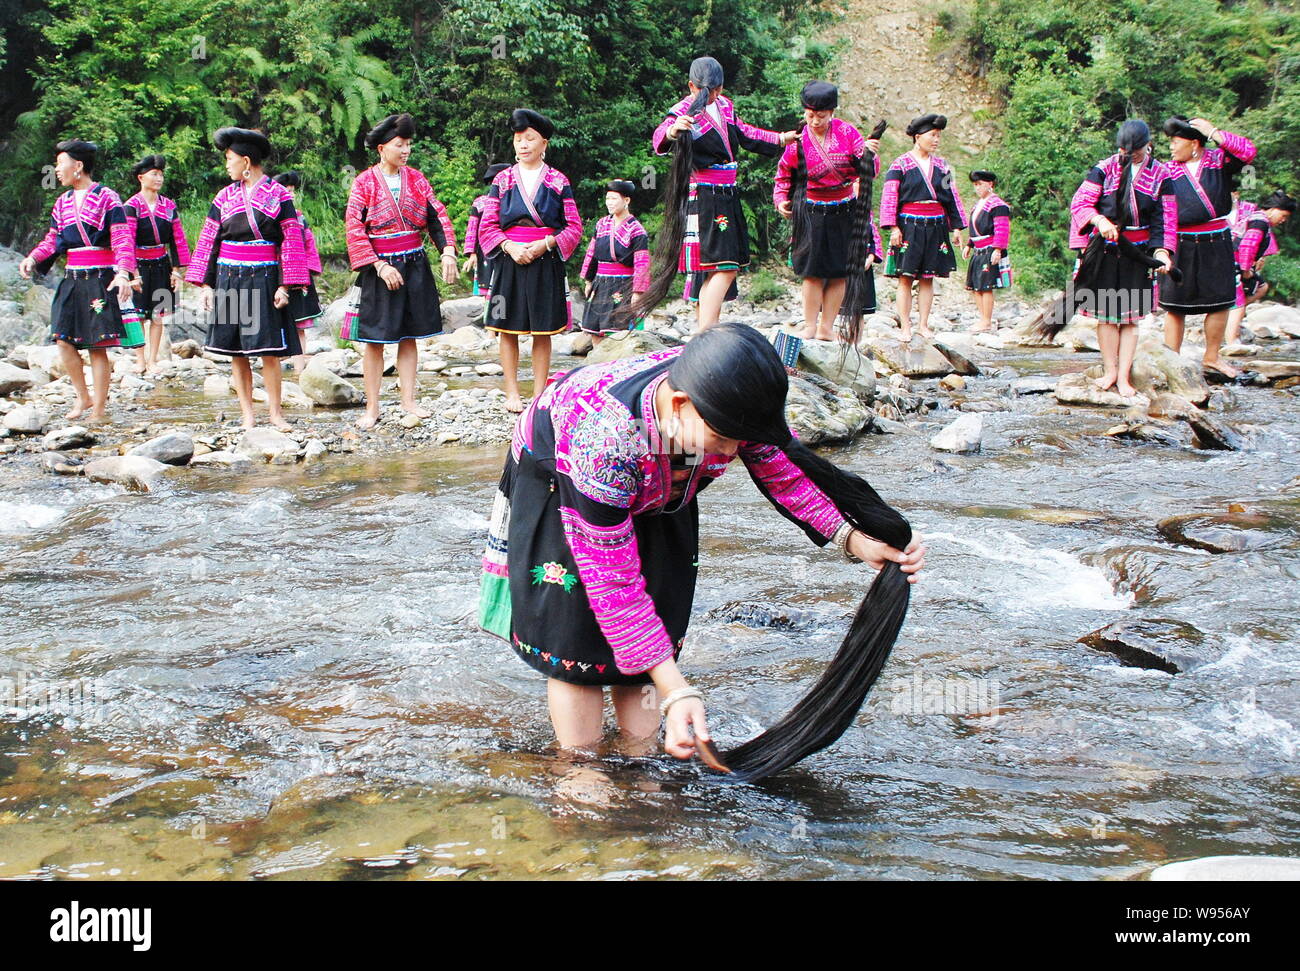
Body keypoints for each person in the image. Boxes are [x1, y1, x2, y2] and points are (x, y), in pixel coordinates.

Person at [477, 322, 925, 757]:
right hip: (565, 481)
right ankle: (579, 761)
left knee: (659, 609)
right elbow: (613, 582)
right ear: (678, 404)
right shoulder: (604, 439)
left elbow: (784, 473)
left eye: (739, 440)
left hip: (664, 481)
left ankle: (637, 753)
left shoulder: (731, 401)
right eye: (723, 439)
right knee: (576, 636)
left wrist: (854, 539)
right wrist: (678, 691)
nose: (732, 453)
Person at [644, 57, 796, 331]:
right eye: (707, 90)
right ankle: (705, 332)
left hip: (727, 191)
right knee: (725, 266)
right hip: (705, 195)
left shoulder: (725, 106)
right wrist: (672, 131)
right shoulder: (681, 112)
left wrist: (781, 138)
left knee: (716, 267)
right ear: (692, 86)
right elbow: (659, 137)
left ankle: (708, 330)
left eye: (717, 90)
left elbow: (746, 133)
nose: (713, 96)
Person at [185, 127, 309, 431]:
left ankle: (275, 414)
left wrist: (284, 285)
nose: (227, 165)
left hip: (264, 277)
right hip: (229, 277)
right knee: (236, 352)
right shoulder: (224, 196)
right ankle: (248, 415)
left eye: (230, 158)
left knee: (268, 350)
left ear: (247, 161)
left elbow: (291, 239)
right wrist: (205, 283)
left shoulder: (279, 195)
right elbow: (208, 240)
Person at [344, 112, 459, 429]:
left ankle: (409, 401)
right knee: (375, 340)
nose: (405, 150)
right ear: (382, 148)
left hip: (414, 264)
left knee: (410, 336)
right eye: (399, 144)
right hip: (379, 268)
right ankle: (372, 407)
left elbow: (437, 217)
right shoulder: (364, 182)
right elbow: (354, 230)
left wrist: (448, 250)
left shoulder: (417, 179)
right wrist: (379, 266)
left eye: (408, 144)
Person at [19, 139, 141, 422]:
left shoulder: (108, 197)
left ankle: (98, 409)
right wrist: (33, 258)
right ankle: (83, 396)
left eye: (61, 163)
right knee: (63, 339)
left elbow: (123, 238)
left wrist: (123, 273)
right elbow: (53, 240)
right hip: (72, 278)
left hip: (100, 278)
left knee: (98, 345)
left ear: (79, 166)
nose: (57, 170)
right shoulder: (61, 203)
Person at [478, 109, 583, 413]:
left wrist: (546, 244)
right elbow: (488, 224)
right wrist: (509, 246)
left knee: (543, 330)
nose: (522, 145)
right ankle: (511, 392)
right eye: (518, 139)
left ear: (544, 143)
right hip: (510, 260)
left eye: (530, 139)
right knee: (507, 328)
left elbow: (573, 226)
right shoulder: (502, 179)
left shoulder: (558, 181)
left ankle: (539, 394)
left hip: (544, 259)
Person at [1068, 119, 1176, 399]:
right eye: (1125, 152)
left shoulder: (1161, 175)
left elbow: (1165, 218)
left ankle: (1125, 376)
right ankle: (1110, 372)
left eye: (1136, 153)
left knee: (1129, 319)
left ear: (1147, 146)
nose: (1130, 157)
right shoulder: (1104, 169)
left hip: (1138, 253)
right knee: (1105, 316)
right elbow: (1081, 203)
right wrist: (1099, 220)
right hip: (1106, 247)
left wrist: (1162, 251)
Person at [773, 81, 880, 342]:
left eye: (821, 116)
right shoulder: (797, 140)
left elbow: (870, 171)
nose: (815, 121)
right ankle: (810, 325)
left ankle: (826, 327)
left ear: (832, 112)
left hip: (844, 210)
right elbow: (784, 176)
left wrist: (870, 155)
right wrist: (781, 201)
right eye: (810, 115)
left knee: (839, 271)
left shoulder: (848, 133)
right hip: (810, 211)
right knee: (812, 272)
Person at [1158, 116, 1256, 379]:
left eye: (1175, 143)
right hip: (1178, 242)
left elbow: (1248, 151)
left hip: (1216, 240)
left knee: (1220, 301)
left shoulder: (1218, 161)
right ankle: (1172, 361)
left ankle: (1212, 357)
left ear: (1194, 143)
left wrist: (1213, 131)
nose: (1171, 148)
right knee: (1174, 304)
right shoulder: (1166, 170)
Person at [879, 114, 968, 341]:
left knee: (928, 277)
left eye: (939, 136)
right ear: (918, 137)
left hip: (936, 225)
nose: (937, 140)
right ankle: (905, 327)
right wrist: (893, 228)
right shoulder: (900, 164)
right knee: (906, 278)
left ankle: (924, 324)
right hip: (909, 225)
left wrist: (957, 227)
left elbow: (952, 196)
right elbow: (890, 196)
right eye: (933, 135)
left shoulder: (943, 166)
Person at [124, 154, 189, 374]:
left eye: (161, 174)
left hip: (161, 263)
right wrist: (132, 273)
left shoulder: (169, 206)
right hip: (139, 266)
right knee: (139, 315)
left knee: (157, 316)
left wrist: (176, 271)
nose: (159, 178)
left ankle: (153, 360)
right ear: (141, 177)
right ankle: (140, 360)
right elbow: (127, 241)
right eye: (154, 174)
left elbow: (177, 239)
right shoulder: (131, 206)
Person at [578, 179, 650, 343]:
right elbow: (592, 253)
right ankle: (598, 365)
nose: (609, 203)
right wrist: (588, 280)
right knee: (595, 330)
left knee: (618, 331)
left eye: (614, 199)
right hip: (600, 282)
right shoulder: (602, 224)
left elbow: (642, 263)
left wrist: (637, 293)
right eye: (607, 198)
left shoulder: (636, 229)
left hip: (623, 285)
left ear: (626, 201)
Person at [272, 171, 323, 374]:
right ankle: (274, 368)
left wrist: (309, 269)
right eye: (286, 191)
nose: (291, 195)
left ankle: (299, 370)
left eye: (292, 191)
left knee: (299, 325)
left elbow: (309, 244)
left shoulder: (300, 217)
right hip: (276, 274)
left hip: (299, 275)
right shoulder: (270, 218)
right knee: (275, 323)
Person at [1232, 189, 1294, 341]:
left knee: (1261, 287)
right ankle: (1232, 340)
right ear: (1273, 209)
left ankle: (1227, 319)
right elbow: (1247, 246)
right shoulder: (1260, 221)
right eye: (1283, 215)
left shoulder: (1259, 219)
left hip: (1236, 263)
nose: (1283, 220)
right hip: (1232, 264)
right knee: (1238, 304)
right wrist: (1246, 271)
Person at [962, 170, 1011, 333]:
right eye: (975, 185)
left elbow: (1002, 229)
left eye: (980, 184)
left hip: (990, 248)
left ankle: (987, 321)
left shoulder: (998, 205)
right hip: (978, 249)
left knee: (986, 285)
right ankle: (982, 318)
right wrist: (969, 244)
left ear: (990, 184)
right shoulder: (978, 205)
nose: (977, 188)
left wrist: (998, 249)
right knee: (976, 285)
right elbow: (975, 228)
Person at [462, 163, 510, 299]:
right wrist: (471, 254)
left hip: (511, 250)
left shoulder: (513, 202)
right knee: (491, 292)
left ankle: (503, 318)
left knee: (508, 289)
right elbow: (472, 229)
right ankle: (493, 317)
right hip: (487, 253)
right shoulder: (481, 203)